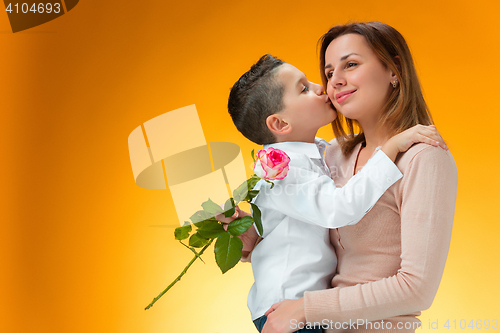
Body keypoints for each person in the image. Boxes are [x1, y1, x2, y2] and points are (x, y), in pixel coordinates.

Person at [253, 22, 458, 333]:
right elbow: (304, 223)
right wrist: (250, 234)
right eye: (329, 72)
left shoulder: (424, 158)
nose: (335, 81)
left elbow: (416, 288)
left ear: (394, 70)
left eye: (350, 64)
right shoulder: (334, 154)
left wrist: (306, 308)